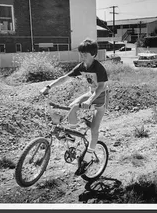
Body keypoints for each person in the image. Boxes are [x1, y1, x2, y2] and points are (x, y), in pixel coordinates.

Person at [40, 38, 109, 175]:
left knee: (94, 130)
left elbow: (100, 87)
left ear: (93, 54)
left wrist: (90, 100)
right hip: (91, 94)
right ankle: (72, 135)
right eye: (81, 53)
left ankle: (87, 159)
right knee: (71, 106)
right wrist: (49, 86)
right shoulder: (82, 67)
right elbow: (66, 77)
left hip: (101, 99)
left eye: (85, 54)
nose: (82, 56)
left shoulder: (99, 68)